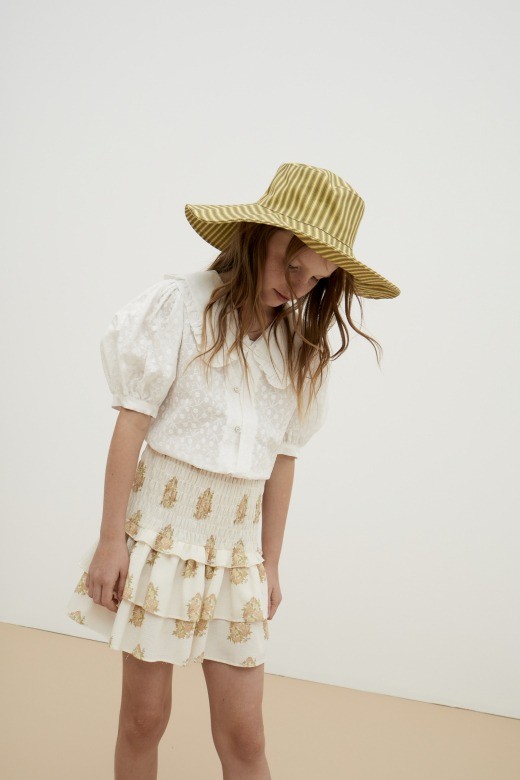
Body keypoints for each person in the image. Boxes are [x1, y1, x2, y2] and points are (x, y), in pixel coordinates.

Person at [66, 162, 400, 779]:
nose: (298, 287)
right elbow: (131, 424)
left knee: (245, 736)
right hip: (161, 536)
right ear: (257, 237)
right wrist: (111, 542)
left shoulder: (298, 351)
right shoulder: (180, 306)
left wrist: (270, 562)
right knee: (144, 719)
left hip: (238, 552)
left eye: (315, 279)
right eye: (291, 266)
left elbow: (282, 463)